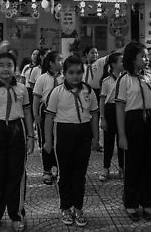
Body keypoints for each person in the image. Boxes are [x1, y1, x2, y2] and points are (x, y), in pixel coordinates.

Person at [0, 52, 34, 232]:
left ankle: (16, 214)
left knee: (17, 175)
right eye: (2, 65)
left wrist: (31, 137)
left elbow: (27, 113)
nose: (5, 69)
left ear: (15, 68)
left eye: (9, 65)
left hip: (17, 130)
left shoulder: (22, 89)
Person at [44, 55, 100, 227]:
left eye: (79, 72)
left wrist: (96, 137)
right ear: (64, 73)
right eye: (71, 73)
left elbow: (94, 115)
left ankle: (79, 208)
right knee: (65, 174)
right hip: (64, 135)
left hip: (84, 135)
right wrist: (47, 141)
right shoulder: (57, 92)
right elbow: (48, 118)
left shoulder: (88, 91)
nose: (75, 76)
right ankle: (65, 207)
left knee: (80, 174)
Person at [115, 42, 151, 222]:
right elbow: (120, 108)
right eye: (143, 57)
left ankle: (147, 203)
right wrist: (121, 135)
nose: (146, 60)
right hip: (133, 122)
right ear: (132, 58)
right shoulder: (124, 79)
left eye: (147, 56)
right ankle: (131, 203)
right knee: (132, 166)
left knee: (149, 164)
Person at [32, 51, 64, 185]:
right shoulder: (42, 78)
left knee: (60, 141)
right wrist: (36, 116)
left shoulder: (64, 78)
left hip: (61, 113)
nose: (62, 62)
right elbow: (36, 98)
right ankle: (47, 170)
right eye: (59, 60)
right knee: (47, 141)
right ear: (51, 63)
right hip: (45, 111)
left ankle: (58, 168)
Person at [98, 52, 125, 182]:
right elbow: (102, 100)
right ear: (113, 64)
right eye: (121, 61)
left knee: (122, 140)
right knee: (108, 142)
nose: (124, 63)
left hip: (122, 110)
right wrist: (102, 117)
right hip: (110, 110)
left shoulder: (126, 78)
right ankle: (105, 168)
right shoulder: (106, 81)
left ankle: (122, 168)